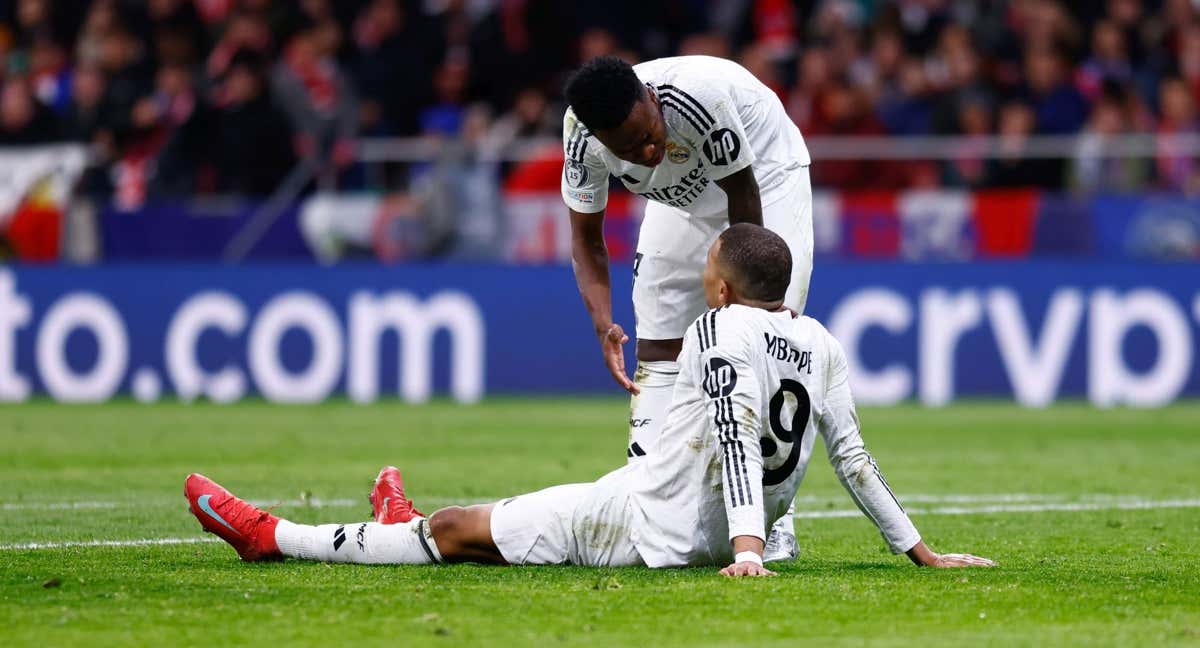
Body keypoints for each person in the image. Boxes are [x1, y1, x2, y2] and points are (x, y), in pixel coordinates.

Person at [186, 225, 995, 576]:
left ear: (719, 285)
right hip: (693, 519)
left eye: (707, 267)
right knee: (468, 527)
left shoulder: (718, 331)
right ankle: (393, 527)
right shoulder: (820, 340)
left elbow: (735, 430)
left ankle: (274, 536)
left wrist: (745, 549)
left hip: (652, 523)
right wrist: (917, 550)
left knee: (455, 531)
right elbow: (853, 457)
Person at [561, 55, 813, 560]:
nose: (648, 149)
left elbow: (743, 202)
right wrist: (604, 324)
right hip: (681, 197)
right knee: (654, 333)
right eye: (630, 150)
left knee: (764, 335)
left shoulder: (699, 97)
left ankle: (773, 519)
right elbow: (587, 241)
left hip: (764, 177)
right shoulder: (582, 138)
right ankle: (645, 492)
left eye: (649, 134)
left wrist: (739, 309)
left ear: (650, 99)